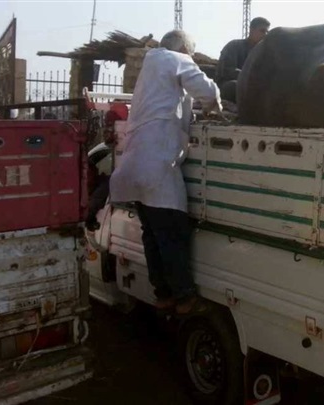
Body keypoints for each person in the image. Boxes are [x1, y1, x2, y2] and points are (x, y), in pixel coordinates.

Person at [109, 30, 222, 314]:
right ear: (183, 48)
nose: (191, 57)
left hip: (134, 163)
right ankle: (184, 296)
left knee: (152, 234)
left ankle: (163, 294)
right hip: (156, 164)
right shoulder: (176, 58)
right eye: (191, 54)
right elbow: (206, 91)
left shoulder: (151, 65)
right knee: (171, 232)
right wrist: (216, 106)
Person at [215, 17, 270, 103]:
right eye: (262, 31)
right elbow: (227, 71)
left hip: (256, 87)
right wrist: (252, 78)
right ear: (252, 30)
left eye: (267, 32)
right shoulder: (234, 46)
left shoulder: (264, 54)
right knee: (234, 86)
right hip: (228, 86)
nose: (265, 35)